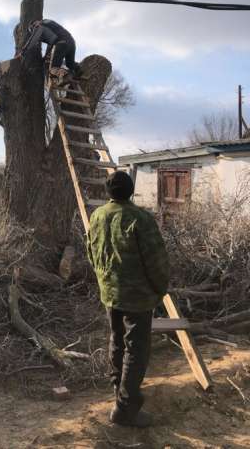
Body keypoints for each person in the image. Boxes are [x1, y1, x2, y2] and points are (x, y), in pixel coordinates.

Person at [87, 171, 169, 428]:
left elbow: (91, 251)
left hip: (110, 295)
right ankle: (125, 409)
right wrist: (160, 289)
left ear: (108, 192)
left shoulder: (97, 215)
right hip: (138, 298)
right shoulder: (140, 218)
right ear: (131, 191)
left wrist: (104, 281)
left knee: (117, 342)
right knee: (136, 349)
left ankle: (119, 395)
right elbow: (156, 261)